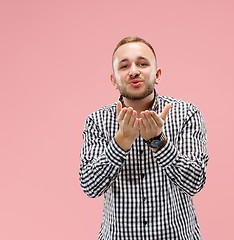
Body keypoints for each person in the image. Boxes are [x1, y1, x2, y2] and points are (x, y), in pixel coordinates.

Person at [79, 36, 209, 240]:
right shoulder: (97, 121)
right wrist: (121, 141)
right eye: (124, 66)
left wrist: (158, 141)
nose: (133, 71)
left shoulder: (186, 113)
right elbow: (90, 186)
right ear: (114, 80)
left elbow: (195, 182)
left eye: (142, 63)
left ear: (157, 75)